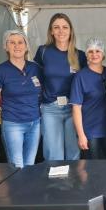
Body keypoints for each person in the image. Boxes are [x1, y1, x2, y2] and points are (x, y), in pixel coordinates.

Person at [0, 29, 42, 168]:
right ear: (6, 46)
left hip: (35, 123)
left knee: (29, 165)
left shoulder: (35, 68)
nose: (17, 46)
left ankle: (26, 190)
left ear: (26, 46)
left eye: (21, 42)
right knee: (17, 167)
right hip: (13, 124)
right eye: (12, 43)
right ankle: (17, 189)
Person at [34, 13, 87, 160]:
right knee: (53, 154)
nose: (61, 31)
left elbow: (85, 83)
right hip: (50, 108)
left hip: (73, 109)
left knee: (73, 152)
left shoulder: (80, 55)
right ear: (51, 31)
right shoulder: (43, 51)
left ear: (71, 31)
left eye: (65, 27)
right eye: (56, 27)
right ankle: (55, 183)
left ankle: (73, 182)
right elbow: (35, 78)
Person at [70, 38, 106, 159]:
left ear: (103, 54)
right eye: (90, 51)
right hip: (90, 132)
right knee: (93, 169)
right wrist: (81, 135)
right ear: (86, 55)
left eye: (98, 51)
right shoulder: (80, 77)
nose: (94, 54)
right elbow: (76, 108)